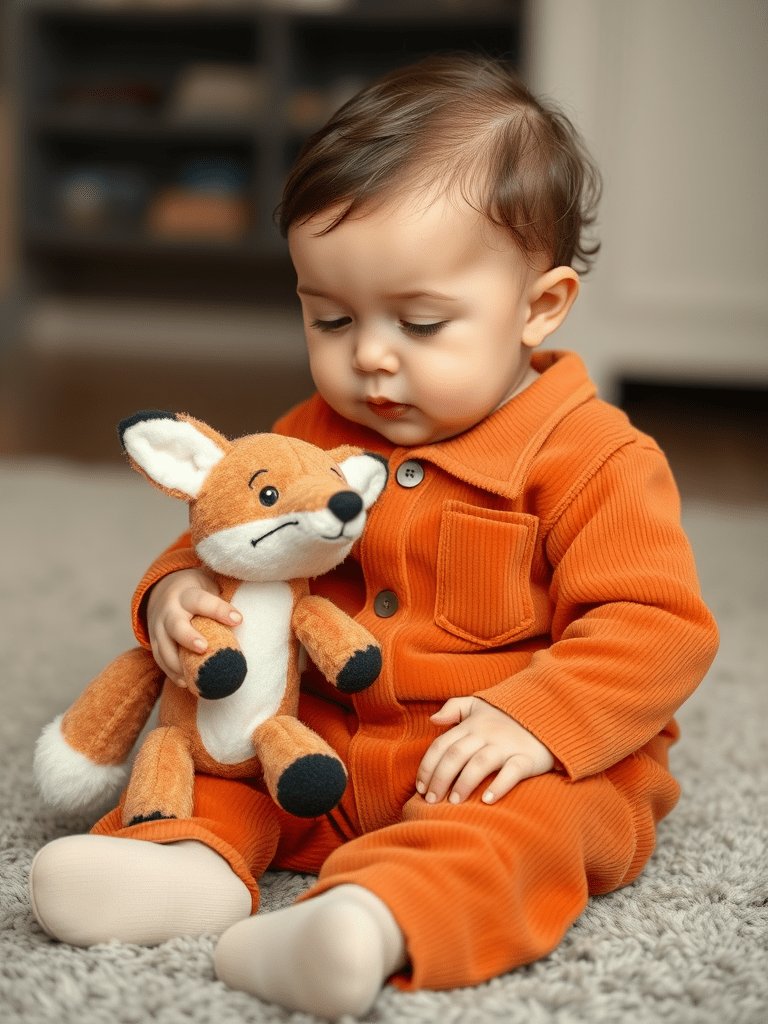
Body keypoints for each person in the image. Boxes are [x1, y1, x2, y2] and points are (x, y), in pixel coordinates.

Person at [29, 55, 719, 1020]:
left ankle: (371, 921)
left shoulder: (595, 457)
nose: (371, 358)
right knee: (222, 762)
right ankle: (182, 867)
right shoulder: (313, 431)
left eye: (423, 323)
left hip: (492, 759)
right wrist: (173, 598)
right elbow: (231, 526)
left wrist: (537, 719)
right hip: (316, 745)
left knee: (535, 830)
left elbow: (656, 624)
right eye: (332, 317)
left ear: (541, 306)